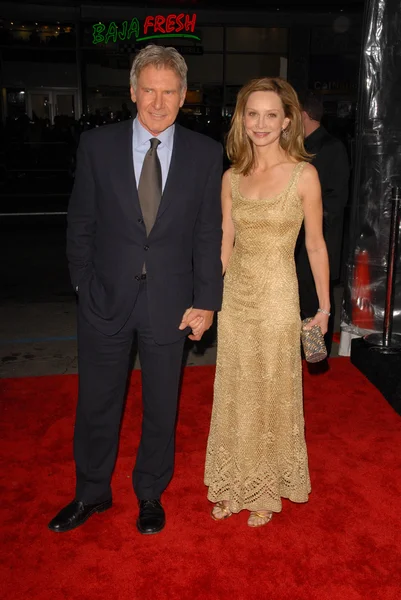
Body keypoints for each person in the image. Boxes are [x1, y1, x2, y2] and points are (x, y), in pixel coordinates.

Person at [48, 45, 223, 535]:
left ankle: (150, 492)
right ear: (132, 91)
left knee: (162, 404)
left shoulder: (206, 155)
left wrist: (208, 299)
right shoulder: (97, 146)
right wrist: (82, 281)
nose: (159, 101)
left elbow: (209, 232)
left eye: (170, 92)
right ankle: (91, 493)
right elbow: (80, 221)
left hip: (172, 302)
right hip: (105, 297)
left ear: (184, 95)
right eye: (149, 89)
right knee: (97, 401)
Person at [204, 77, 330, 527]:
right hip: (236, 299)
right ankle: (233, 483)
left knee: (270, 391)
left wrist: (323, 308)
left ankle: (264, 486)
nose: (260, 123)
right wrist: (203, 296)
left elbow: (315, 245)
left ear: (287, 121)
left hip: (278, 296)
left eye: (270, 115)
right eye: (252, 114)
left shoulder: (304, 175)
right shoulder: (232, 177)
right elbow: (224, 242)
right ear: (242, 120)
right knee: (236, 390)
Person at [296, 91, 350, 355]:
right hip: (300, 238)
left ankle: (316, 354)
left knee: (317, 297)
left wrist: (304, 212)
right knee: (301, 297)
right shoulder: (301, 146)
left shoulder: (331, 147)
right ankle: (302, 351)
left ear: (304, 115)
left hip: (321, 240)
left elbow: (336, 199)